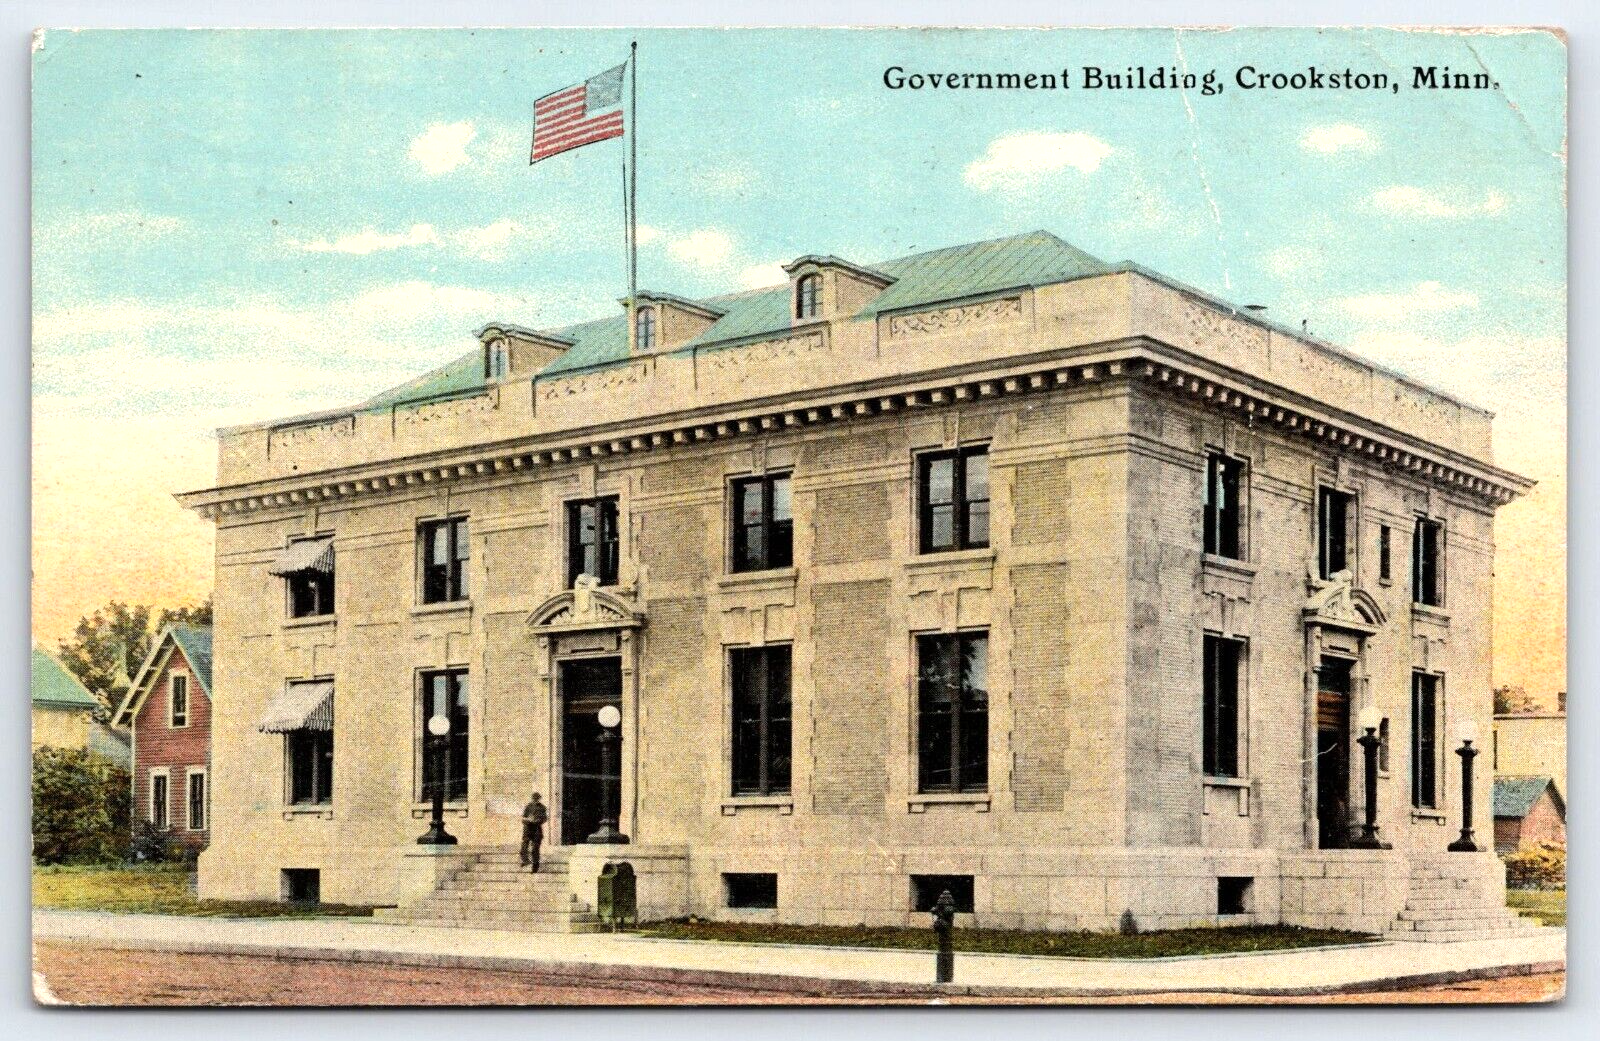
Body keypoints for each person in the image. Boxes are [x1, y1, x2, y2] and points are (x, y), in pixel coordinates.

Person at [520, 792, 548, 872]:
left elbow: (544, 819)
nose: (535, 800)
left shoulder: (542, 807)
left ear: (539, 799)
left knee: (535, 849)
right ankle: (525, 860)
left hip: (537, 830)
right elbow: (523, 818)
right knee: (524, 847)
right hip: (528, 829)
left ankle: (535, 867)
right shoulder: (528, 806)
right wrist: (526, 820)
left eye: (536, 799)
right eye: (533, 799)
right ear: (532, 798)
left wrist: (536, 821)